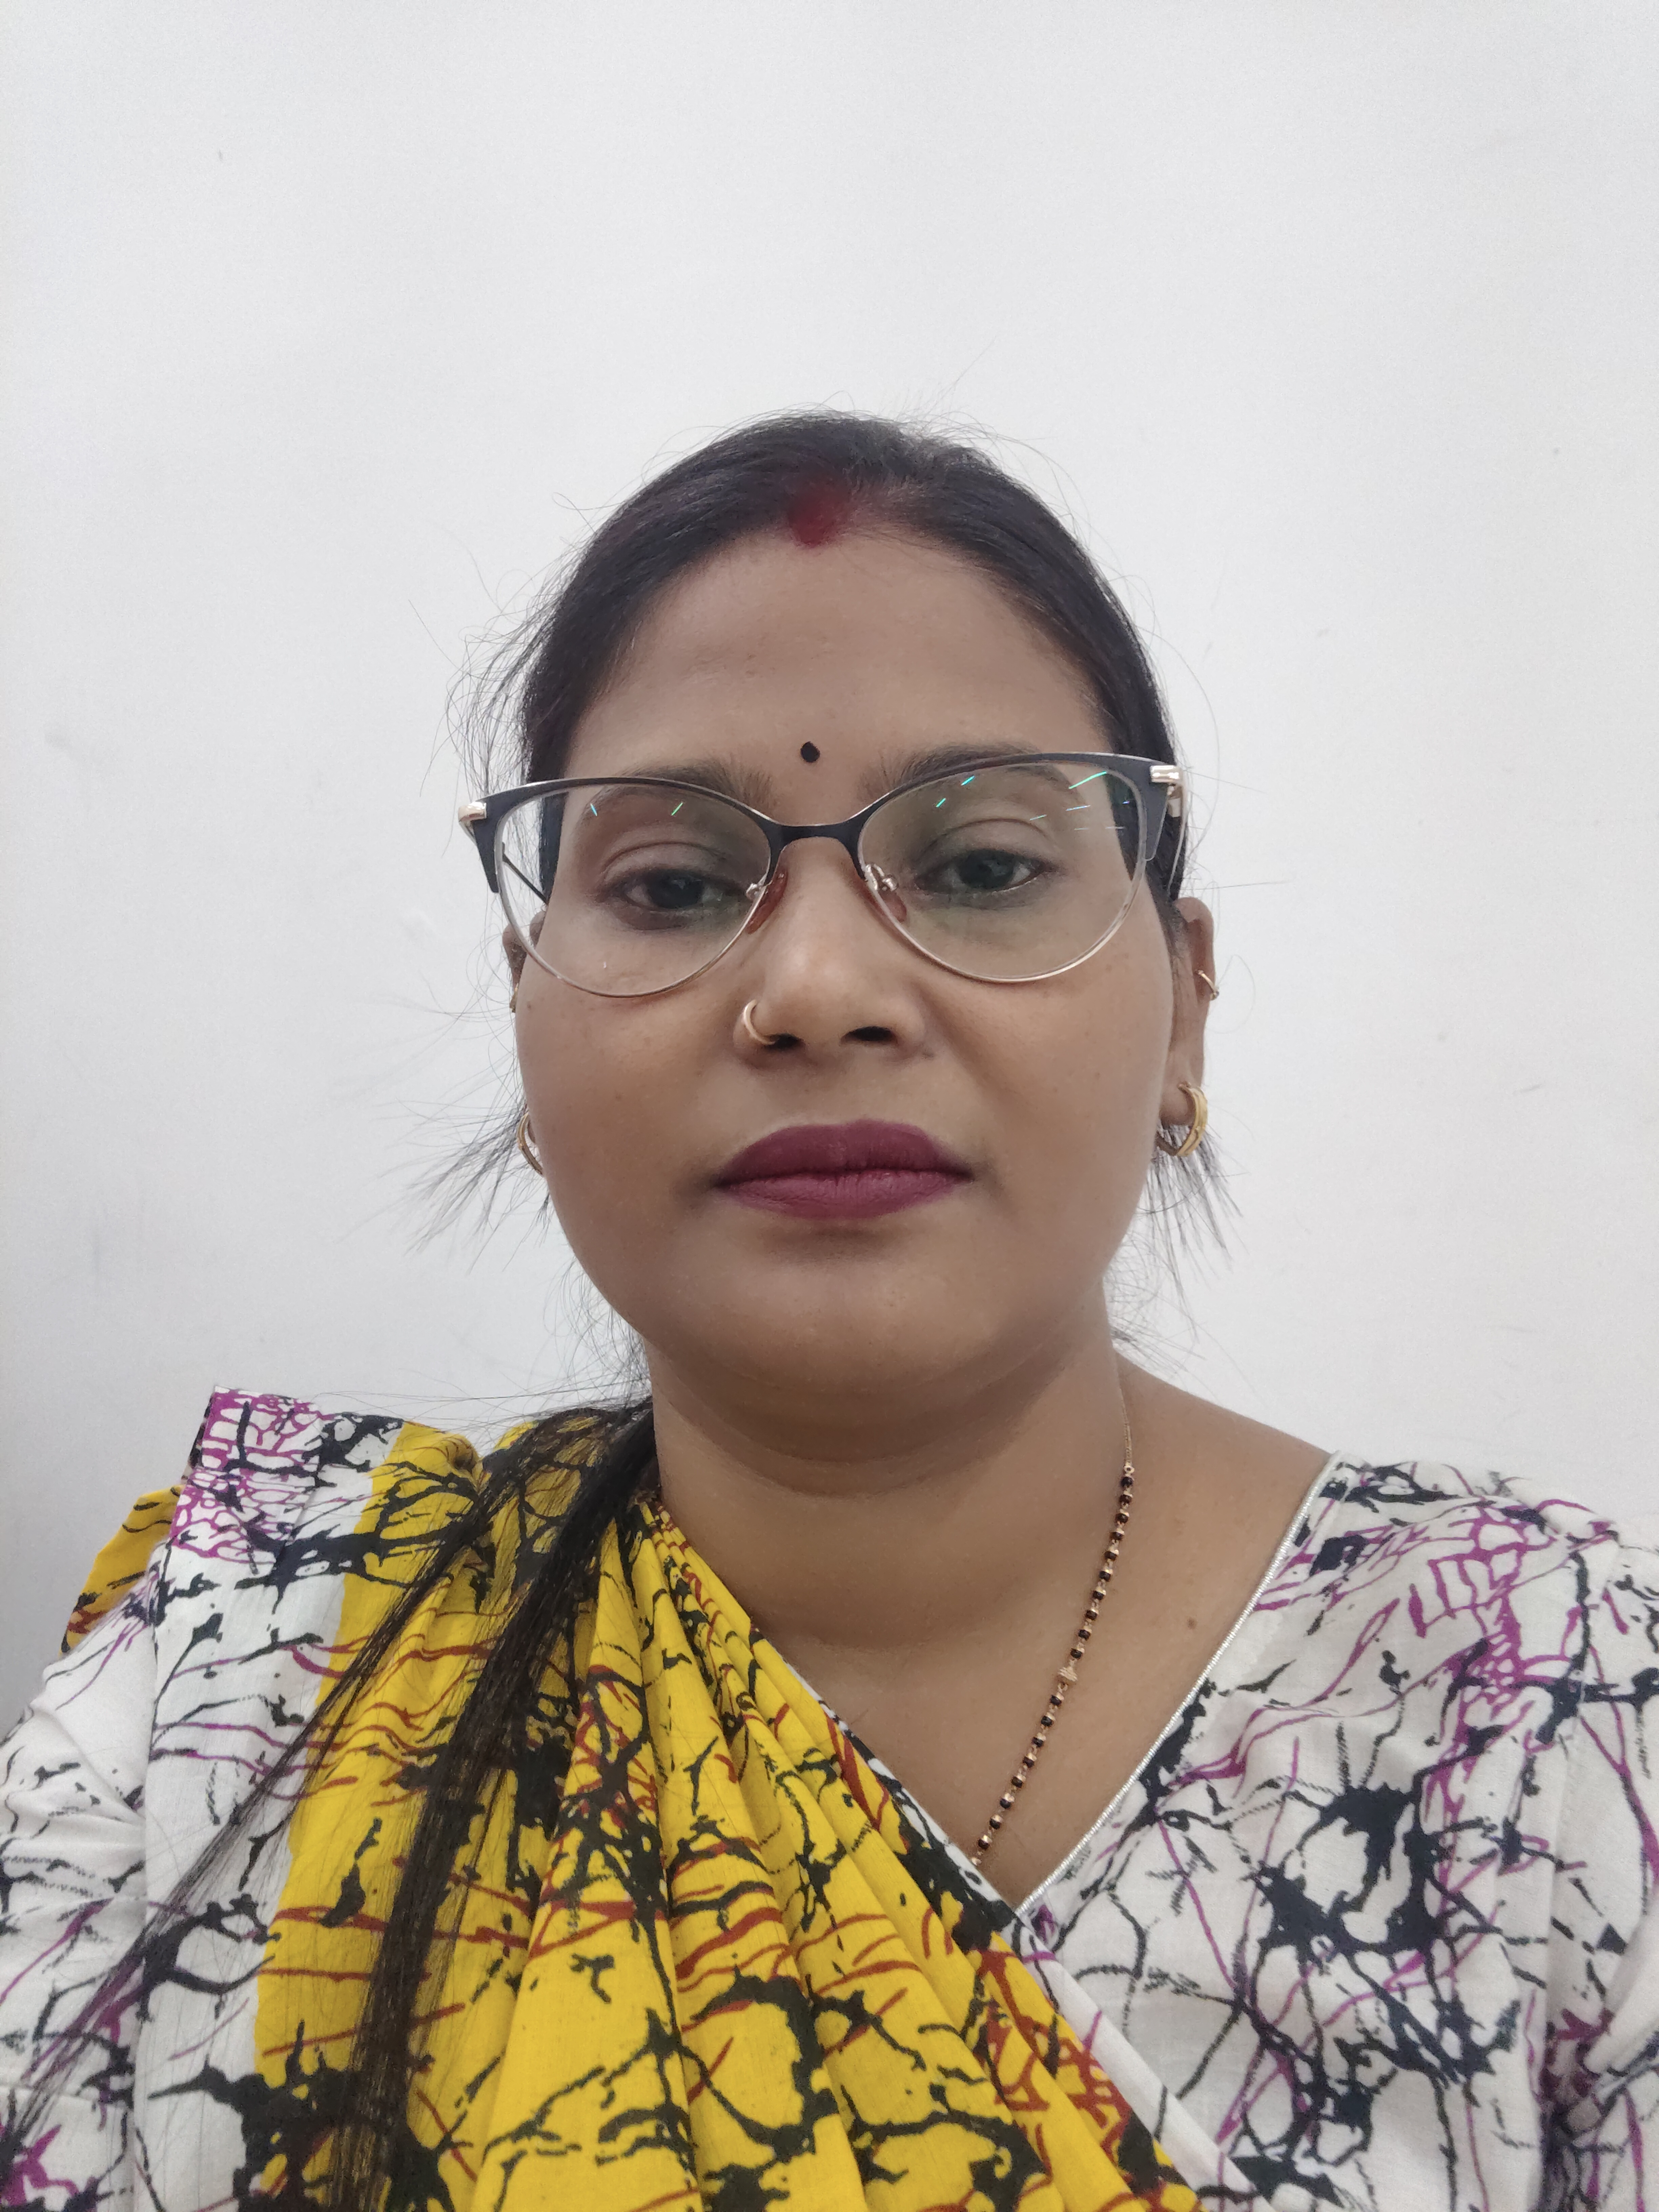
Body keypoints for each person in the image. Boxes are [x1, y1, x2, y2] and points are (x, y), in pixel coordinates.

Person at [0, 415, 1653, 2212]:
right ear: (526, 1014)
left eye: (983, 866)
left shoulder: (1546, 1710)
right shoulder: (242, 1685)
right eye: (673, 887)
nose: (813, 986)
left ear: (1185, 1009)